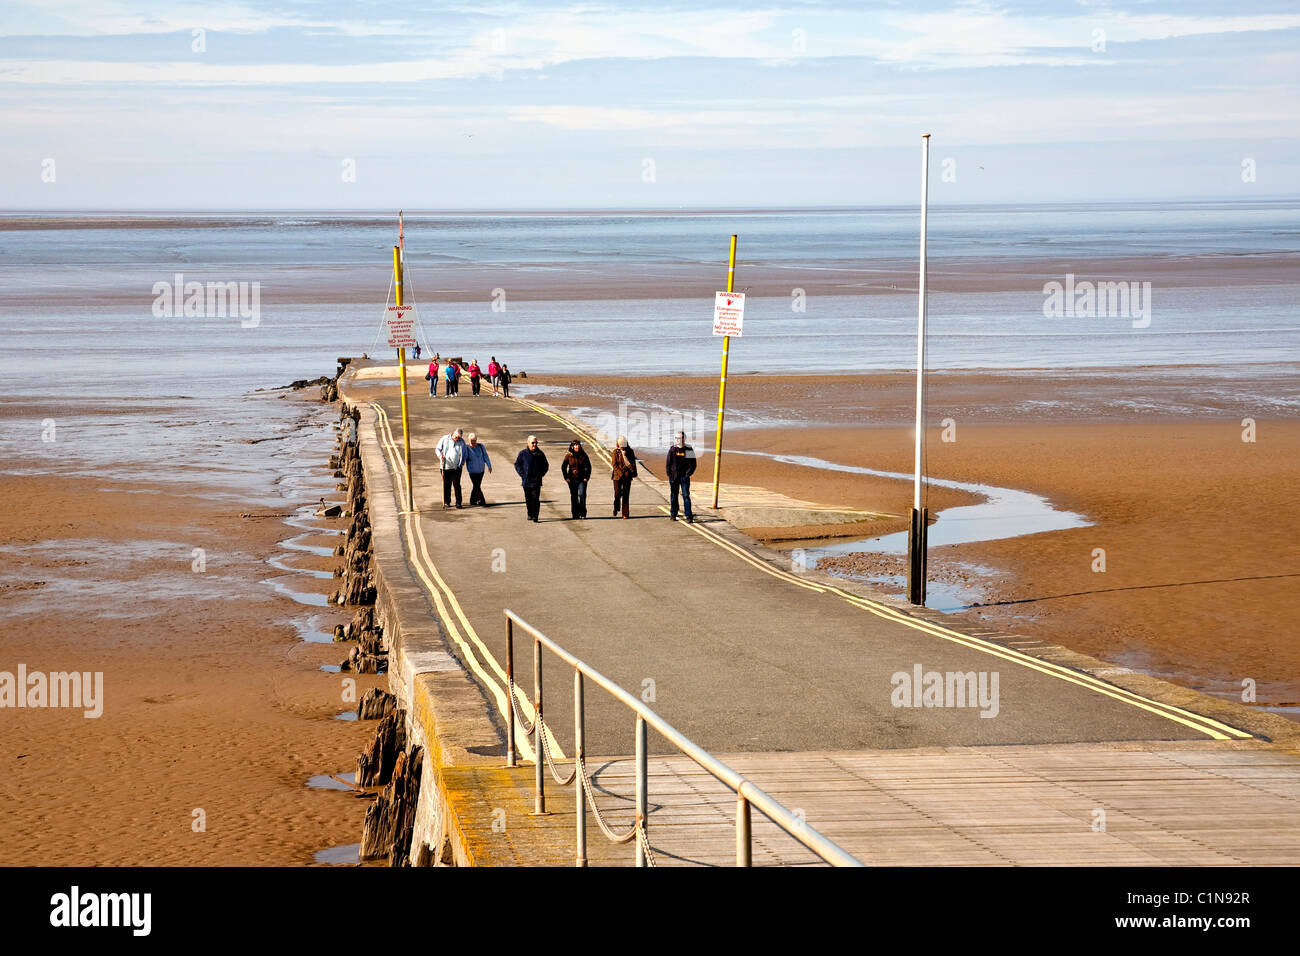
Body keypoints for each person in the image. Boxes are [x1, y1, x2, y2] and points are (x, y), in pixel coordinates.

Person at [514, 435, 548, 522]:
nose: (535, 444)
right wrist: (522, 474)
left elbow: (546, 465)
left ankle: (535, 516)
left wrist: (541, 474)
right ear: (528, 443)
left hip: (536, 481)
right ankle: (530, 513)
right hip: (526, 481)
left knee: (536, 499)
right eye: (533, 443)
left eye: (536, 443)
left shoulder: (540, 454)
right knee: (528, 499)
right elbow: (517, 464)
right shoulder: (522, 453)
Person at [665, 430, 696, 523]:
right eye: (676, 438)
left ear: (684, 439)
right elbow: (668, 464)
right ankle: (673, 513)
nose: (678, 440)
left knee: (686, 496)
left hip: (684, 478)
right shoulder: (672, 449)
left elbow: (693, 464)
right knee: (674, 496)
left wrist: (688, 474)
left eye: (680, 438)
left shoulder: (689, 449)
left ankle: (689, 516)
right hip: (674, 477)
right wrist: (670, 475)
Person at [436, 428, 468, 509]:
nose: (457, 439)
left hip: (457, 467)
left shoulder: (462, 442)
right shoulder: (445, 438)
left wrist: (462, 463)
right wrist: (440, 456)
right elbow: (438, 449)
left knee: (457, 485)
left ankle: (458, 503)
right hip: (445, 466)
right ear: (453, 433)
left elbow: (465, 454)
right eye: (456, 437)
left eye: (459, 437)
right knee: (447, 485)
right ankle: (447, 502)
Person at [561, 439, 592, 519]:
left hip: (582, 478)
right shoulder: (568, 455)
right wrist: (566, 477)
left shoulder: (584, 455)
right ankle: (575, 514)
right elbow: (563, 467)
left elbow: (589, 467)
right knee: (574, 496)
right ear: (572, 446)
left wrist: (587, 477)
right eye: (575, 445)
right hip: (572, 479)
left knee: (582, 495)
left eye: (578, 445)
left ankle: (583, 513)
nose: (577, 446)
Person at [611, 436, 637, 519]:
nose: (621, 445)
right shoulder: (615, 452)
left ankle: (625, 513)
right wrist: (620, 473)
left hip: (627, 476)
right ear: (618, 444)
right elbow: (614, 464)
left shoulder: (630, 452)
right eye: (620, 443)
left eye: (623, 443)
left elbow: (633, 463)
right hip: (617, 476)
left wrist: (634, 473)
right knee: (617, 494)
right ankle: (616, 507)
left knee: (626, 495)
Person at [464, 432, 493, 506]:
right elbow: (464, 458)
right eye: (471, 441)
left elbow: (485, 456)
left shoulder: (481, 446)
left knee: (476, 485)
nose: (473, 443)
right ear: (468, 440)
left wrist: (489, 465)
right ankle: (481, 500)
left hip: (481, 470)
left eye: (474, 441)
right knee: (476, 485)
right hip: (472, 471)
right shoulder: (466, 448)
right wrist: (459, 464)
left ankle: (472, 501)